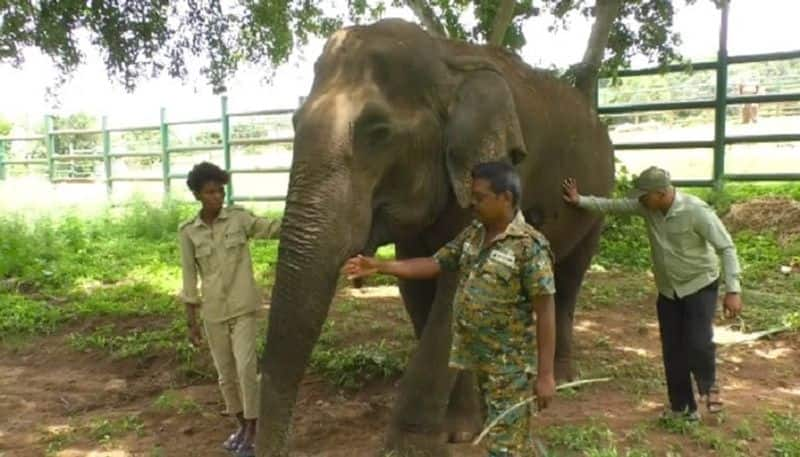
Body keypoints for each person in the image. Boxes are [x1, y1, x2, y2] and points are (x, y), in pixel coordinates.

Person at [344, 161, 556, 456]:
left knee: (506, 446)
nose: (473, 204)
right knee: (505, 436)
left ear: (505, 198)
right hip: (477, 362)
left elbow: (546, 312)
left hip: (510, 368)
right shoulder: (474, 234)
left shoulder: (530, 247)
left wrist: (546, 375)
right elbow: (434, 263)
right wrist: (381, 266)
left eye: (480, 197)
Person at [562, 166, 743, 420]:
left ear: (660, 193)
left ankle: (708, 384)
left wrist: (733, 289)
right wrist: (580, 200)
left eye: (644, 195)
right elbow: (614, 205)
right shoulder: (647, 207)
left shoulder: (696, 211)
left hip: (699, 284)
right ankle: (682, 408)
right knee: (672, 349)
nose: (639, 199)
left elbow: (726, 247)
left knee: (698, 341)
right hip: (668, 290)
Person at [178, 162, 280, 456]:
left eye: (221, 191)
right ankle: (239, 425)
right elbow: (189, 277)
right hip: (213, 312)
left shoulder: (237, 219)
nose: (218, 197)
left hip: (243, 306)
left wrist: (304, 220)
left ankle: (253, 427)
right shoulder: (188, 231)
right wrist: (191, 321)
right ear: (198, 195)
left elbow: (268, 228)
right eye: (210, 192)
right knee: (225, 373)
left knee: (246, 367)